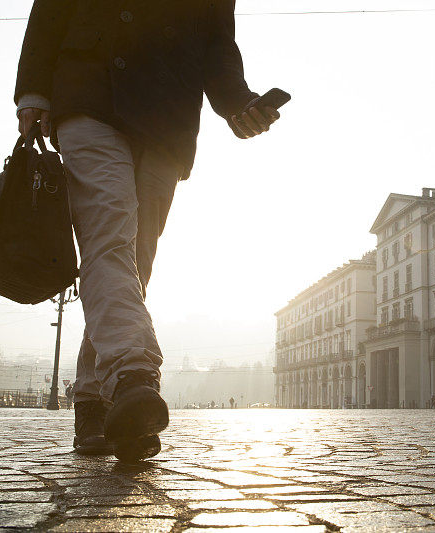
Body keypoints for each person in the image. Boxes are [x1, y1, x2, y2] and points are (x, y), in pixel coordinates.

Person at [14, 0, 280, 462]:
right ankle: (133, 379)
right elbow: (50, 9)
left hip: (167, 114)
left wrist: (239, 103)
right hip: (90, 94)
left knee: (133, 262)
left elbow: (217, 41)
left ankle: (94, 401)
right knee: (108, 240)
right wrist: (34, 90)